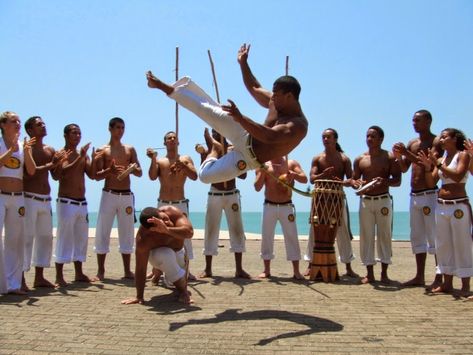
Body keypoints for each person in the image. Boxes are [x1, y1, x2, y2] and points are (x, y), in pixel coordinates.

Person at [145, 44, 308, 184]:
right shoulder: (276, 100)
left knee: (205, 176)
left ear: (289, 97)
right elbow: (254, 87)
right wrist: (243, 63)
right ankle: (160, 85)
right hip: (244, 133)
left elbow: (270, 137)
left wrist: (241, 118)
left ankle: (215, 150)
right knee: (205, 109)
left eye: (277, 95)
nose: (273, 98)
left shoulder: (298, 126)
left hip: (249, 159)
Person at [392, 110, 443, 288]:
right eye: (413, 120)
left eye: (418, 120)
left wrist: (407, 152)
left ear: (429, 121)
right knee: (417, 236)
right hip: (414, 195)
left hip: (429, 193)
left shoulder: (435, 141)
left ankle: (439, 276)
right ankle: (419, 276)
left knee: (435, 236)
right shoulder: (412, 143)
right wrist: (399, 157)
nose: (414, 123)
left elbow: (429, 164)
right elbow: (405, 168)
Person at [418, 128, 472, 297]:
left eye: (445, 137)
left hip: (458, 206)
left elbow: (457, 176)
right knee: (443, 245)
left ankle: (465, 286)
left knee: (462, 243)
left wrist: (438, 164)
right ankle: (447, 283)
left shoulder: (462, 155)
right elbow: (431, 182)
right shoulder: (441, 158)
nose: (441, 140)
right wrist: (428, 167)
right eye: (440, 137)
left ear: (454, 138)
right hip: (441, 205)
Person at [304, 128, 359, 278]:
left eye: (328, 137)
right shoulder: (317, 158)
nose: (325, 139)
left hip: (337, 199)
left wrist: (348, 182)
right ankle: (310, 264)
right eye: (323, 137)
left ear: (335, 139)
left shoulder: (344, 159)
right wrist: (324, 174)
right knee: (314, 231)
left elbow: (351, 179)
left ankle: (348, 266)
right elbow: (312, 178)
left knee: (343, 232)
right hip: (320, 199)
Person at [93, 117, 142, 281]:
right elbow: (97, 176)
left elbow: (139, 171)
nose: (120, 131)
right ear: (110, 129)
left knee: (127, 232)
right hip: (109, 194)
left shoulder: (130, 149)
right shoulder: (103, 149)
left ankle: (127, 271)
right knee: (102, 231)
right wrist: (110, 170)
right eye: (118, 128)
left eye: (123, 128)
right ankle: (101, 271)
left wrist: (131, 169)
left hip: (126, 195)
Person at [197, 128, 250, 279]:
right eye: (214, 133)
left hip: (232, 194)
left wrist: (235, 160)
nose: (216, 136)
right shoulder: (209, 153)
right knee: (211, 230)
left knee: (237, 230)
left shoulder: (234, 151)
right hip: (215, 194)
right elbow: (204, 174)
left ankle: (239, 269)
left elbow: (244, 175)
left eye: (219, 132)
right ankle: (208, 269)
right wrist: (204, 154)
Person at [52, 124, 99, 287]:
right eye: (74, 133)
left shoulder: (83, 155)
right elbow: (61, 174)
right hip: (67, 202)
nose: (77, 136)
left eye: (79, 133)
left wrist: (93, 159)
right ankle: (59, 276)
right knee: (64, 238)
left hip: (81, 202)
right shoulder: (61, 154)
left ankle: (79, 273)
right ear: (65, 135)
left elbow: (92, 175)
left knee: (81, 239)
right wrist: (81, 157)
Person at [352, 126, 401, 284]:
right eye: (367, 136)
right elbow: (354, 180)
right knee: (366, 235)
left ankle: (384, 273)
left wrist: (384, 181)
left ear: (381, 139)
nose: (369, 139)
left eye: (373, 136)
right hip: (366, 200)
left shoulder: (390, 157)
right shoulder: (360, 159)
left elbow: (397, 180)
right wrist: (356, 183)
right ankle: (369, 273)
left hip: (383, 200)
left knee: (384, 234)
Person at [22, 116, 67, 290]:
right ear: (30, 130)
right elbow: (28, 174)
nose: (43, 126)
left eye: (43, 123)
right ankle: (21, 278)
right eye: (39, 125)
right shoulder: (26, 149)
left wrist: (59, 164)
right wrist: (52, 164)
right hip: (29, 198)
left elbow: (56, 176)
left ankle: (39, 277)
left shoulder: (50, 149)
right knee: (27, 239)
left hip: (45, 199)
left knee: (45, 238)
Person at [146, 131, 197, 282]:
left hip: (180, 203)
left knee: (184, 237)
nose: (172, 140)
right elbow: (152, 176)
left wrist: (184, 166)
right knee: (159, 235)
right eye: (169, 138)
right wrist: (153, 159)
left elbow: (194, 176)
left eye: (175, 138)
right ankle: (156, 270)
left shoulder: (185, 159)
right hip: (163, 203)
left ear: (178, 142)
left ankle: (186, 270)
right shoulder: (161, 161)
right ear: (165, 143)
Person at [121, 206, 194, 305]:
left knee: (171, 282)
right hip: (159, 255)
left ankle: (158, 271)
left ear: (161, 211)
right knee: (165, 255)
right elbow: (141, 268)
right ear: (151, 229)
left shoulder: (172, 212)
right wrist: (139, 296)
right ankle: (183, 292)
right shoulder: (144, 238)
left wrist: (167, 230)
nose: (166, 222)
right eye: (161, 223)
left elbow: (189, 232)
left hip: (178, 252)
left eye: (164, 218)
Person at [254, 155, 307, 279]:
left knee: (292, 236)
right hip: (269, 205)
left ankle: (296, 271)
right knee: (267, 237)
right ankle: (266, 270)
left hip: (287, 206)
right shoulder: (264, 164)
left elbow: (305, 179)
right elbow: (257, 187)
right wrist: (262, 171)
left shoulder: (291, 163)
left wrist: (294, 175)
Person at [0, 111, 36, 294]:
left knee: (15, 240)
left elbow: (31, 170)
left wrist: (27, 151)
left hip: (18, 197)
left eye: (19, 121)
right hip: (1, 196)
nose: (18, 124)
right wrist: (10, 150)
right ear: (3, 124)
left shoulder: (23, 146)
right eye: (14, 121)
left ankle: (13, 285)